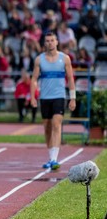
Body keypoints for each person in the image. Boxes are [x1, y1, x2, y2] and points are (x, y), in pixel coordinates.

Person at [30, 32, 76, 170]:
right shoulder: (39, 60)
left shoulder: (65, 58)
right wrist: (33, 97)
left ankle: (55, 159)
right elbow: (33, 79)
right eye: (47, 41)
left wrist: (72, 98)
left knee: (56, 124)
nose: (50, 43)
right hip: (45, 97)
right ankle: (50, 157)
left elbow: (71, 79)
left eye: (52, 40)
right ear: (44, 43)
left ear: (57, 42)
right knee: (47, 127)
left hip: (59, 96)